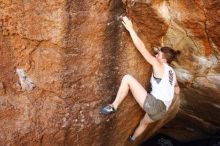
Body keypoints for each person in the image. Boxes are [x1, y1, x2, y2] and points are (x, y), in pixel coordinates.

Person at [100, 16, 180, 142]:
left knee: (127, 79)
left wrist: (131, 29)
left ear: (164, 59)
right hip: (162, 111)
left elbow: (142, 48)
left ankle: (114, 106)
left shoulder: (159, 64)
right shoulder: (172, 73)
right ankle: (132, 138)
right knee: (144, 123)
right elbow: (177, 91)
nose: (155, 55)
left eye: (158, 54)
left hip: (155, 105)